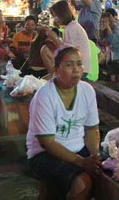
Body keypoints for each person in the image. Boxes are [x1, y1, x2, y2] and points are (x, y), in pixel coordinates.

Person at [26, 46, 100, 200]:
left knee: (106, 175)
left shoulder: (87, 91)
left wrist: (95, 156)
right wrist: (81, 161)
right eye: (69, 65)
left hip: (78, 150)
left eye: (79, 64)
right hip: (44, 155)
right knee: (82, 182)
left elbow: (92, 129)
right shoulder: (45, 96)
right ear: (56, 69)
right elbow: (48, 143)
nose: (76, 69)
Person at [42, 0, 91, 77]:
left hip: (79, 69)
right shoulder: (71, 26)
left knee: (45, 50)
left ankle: (54, 77)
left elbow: (67, 52)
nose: (55, 19)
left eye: (55, 16)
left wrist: (54, 37)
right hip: (77, 66)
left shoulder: (72, 28)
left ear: (62, 14)